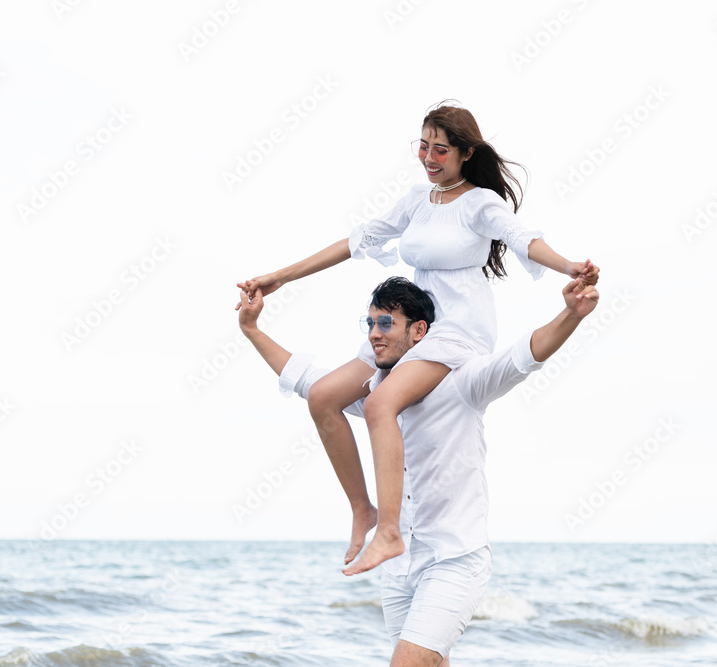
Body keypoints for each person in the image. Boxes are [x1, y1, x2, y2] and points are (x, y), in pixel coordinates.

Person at [236, 101, 600, 575]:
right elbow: (355, 242)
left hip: (455, 332)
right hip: (408, 327)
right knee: (324, 397)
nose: (429, 157)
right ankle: (363, 510)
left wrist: (569, 266)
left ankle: (390, 533)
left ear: (466, 153)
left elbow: (523, 238)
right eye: (423, 147)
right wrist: (279, 277)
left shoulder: (480, 203)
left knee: (380, 404)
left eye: (441, 150)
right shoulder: (416, 200)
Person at [238, 276, 600, 666]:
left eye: (386, 323)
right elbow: (310, 382)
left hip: (454, 559)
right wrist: (251, 329)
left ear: (419, 331)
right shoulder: (375, 394)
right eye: (371, 323)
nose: (374, 334)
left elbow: (521, 356)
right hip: (398, 570)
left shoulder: (463, 383)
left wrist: (571, 314)